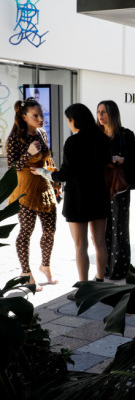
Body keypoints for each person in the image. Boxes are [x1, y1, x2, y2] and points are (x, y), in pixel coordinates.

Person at [34, 104, 111, 291]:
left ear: (74, 120)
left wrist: (43, 172)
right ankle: (100, 281)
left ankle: (84, 287)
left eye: (68, 120)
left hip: (78, 198)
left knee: (80, 245)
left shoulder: (73, 142)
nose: (68, 124)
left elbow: (65, 174)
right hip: (100, 195)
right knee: (100, 242)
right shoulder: (103, 139)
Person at [6, 98, 58, 291]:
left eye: (41, 115)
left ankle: (45, 265)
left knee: (50, 231)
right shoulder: (14, 139)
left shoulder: (42, 133)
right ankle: (26, 272)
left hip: (44, 187)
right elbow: (13, 168)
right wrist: (28, 153)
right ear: (23, 116)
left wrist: (55, 179)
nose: (40, 119)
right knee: (26, 231)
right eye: (35, 116)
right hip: (25, 191)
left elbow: (48, 158)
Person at [97, 100, 135, 280]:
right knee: (102, 231)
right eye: (99, 112)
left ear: (113, 114)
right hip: (100, 188)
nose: (101, 116)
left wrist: (122, 159)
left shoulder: (125, 134)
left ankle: (120, 269)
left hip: (119, 188)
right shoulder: (96, 135)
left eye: (104, 112)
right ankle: (105, 268)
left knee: (120, 229)